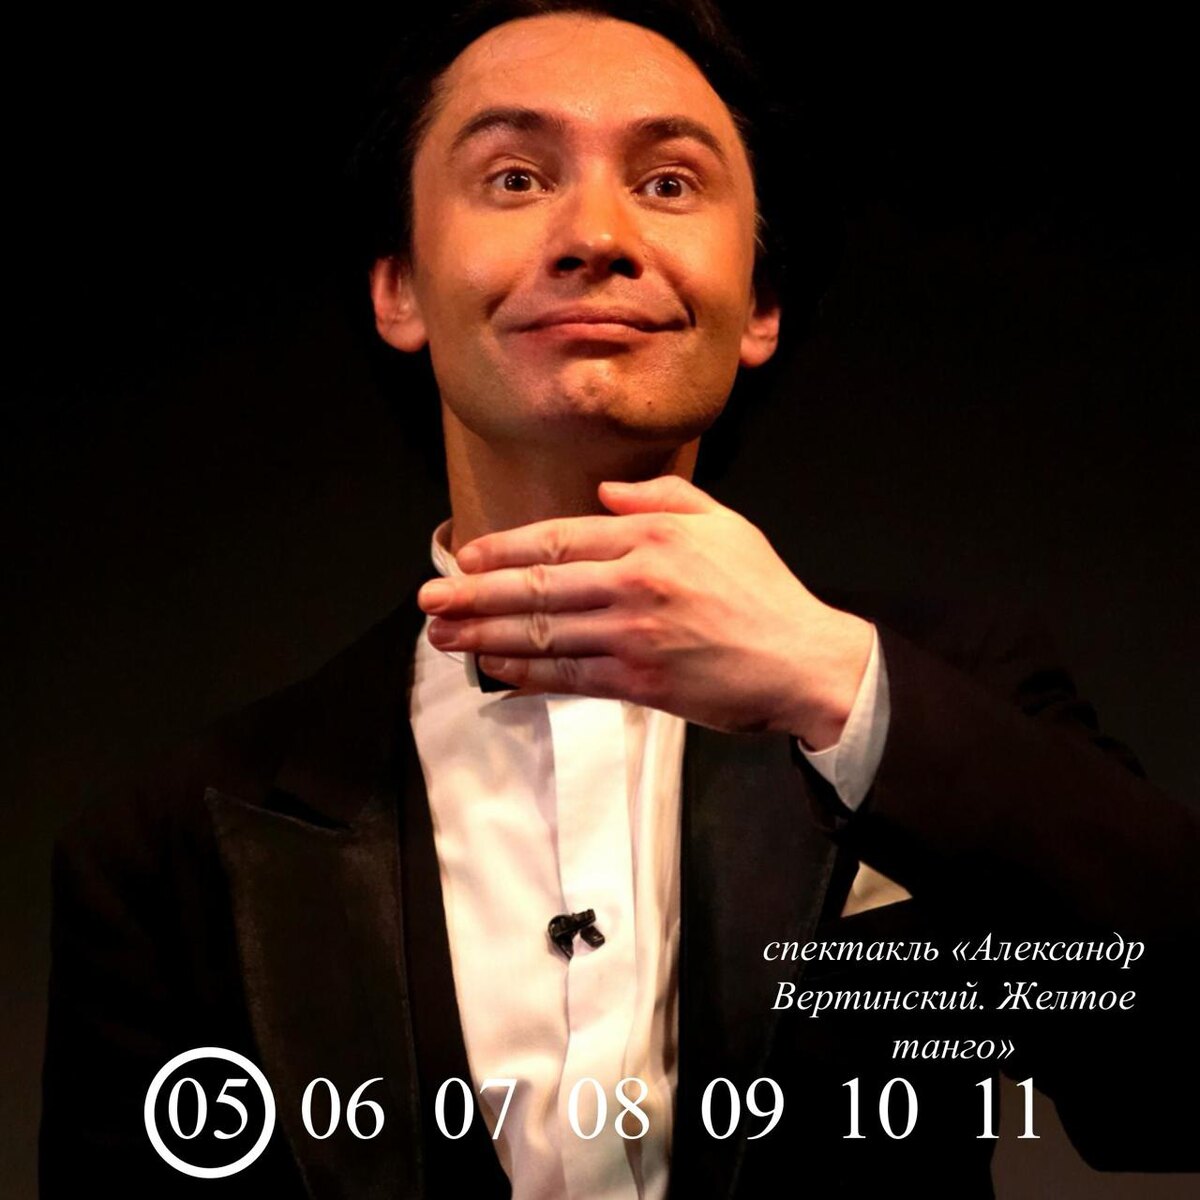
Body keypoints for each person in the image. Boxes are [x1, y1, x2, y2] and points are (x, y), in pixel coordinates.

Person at [39, 2, 1198, 1196]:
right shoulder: (163, 851)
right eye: (515, 177)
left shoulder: (958, 688)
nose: (597, 235)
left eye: (669, 183)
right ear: (398, 287)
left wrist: (843, 693)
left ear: (759, 304)